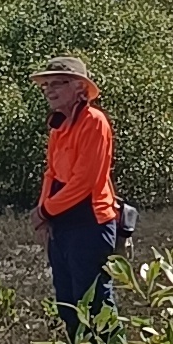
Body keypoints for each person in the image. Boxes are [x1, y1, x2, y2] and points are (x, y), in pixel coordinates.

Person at [34, 54, 124, 315]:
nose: (49, 90)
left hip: (91, 226)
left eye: (57, 83)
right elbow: (51, 173)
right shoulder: (58, 127)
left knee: (95, 303)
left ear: (79, 88)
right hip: (62, 226)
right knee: (68, 306)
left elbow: (84, 182)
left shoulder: (94, 122)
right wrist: (45, 215)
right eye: (46, 85)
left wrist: (44, 211)